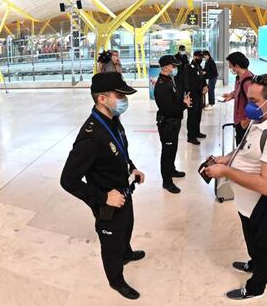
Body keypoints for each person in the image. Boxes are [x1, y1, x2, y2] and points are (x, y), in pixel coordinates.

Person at [205, 74, 267, 301]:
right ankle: (253, 263)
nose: (248, 106)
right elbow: (246, 149)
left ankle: (256, 287)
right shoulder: (261, 119)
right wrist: (227, 159)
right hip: (247, 203)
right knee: (251, 239)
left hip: (263, 206)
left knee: (262, 246)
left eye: (252, 101)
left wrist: (227, 172)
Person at [60, 72, 146, 300]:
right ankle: (116, 279)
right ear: (102, 99)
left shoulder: (112, 121)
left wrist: (132, 168)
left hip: (124, 193)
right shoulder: (90, 137)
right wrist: (103, 198)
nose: (123, 99)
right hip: (108, 202)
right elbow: (68, 180)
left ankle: (126, 253)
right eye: (119, 95)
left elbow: (119, 151)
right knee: (111, 243)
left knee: (126, 227)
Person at [154, 55, 192, 194]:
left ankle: (171, 170)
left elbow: (173, 100)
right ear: (165, 67)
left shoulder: (169, 80)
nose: (174, 68)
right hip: (168, 123)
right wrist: (184, 105)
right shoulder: (162, 85)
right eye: (172, 66)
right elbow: (168, 109)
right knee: (167, 152)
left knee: (173, 148)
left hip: (174, 122)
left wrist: (181, 101)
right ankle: (166, 181)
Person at [222, 52, 253, 145]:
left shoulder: (247, 81)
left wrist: (245, 122)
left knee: (242, 151)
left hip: (244, 123)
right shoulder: (240, 78)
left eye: (230, 65)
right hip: (239, 121)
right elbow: (241, 93)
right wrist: (232, 95)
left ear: (236, 66)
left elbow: (254, 103)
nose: (229, 68)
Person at [185, 50, 208, 145]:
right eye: (199, 57)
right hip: (192, 95)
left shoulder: (199, 67)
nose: (201, 59)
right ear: (195, 57)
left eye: (202, 58)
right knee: (192, 116)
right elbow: (186, 82)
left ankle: (197, 132)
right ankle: (191, 136)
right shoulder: (188, 67)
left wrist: (205, 86)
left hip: (199, 94)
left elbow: (202, 78)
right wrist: (189, 93)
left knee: (198, 114)